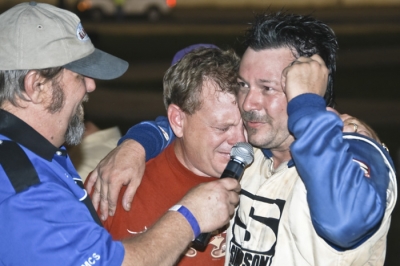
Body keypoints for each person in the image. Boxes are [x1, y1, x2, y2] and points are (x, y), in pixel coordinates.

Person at [86, 12, 397, 265]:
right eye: (244, 86)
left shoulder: (355, 151)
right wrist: (137, 144)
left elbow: (343, 222)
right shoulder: (251, 157)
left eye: (268, 88)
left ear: (308, 91)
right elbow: (192, 123)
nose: (248, 104)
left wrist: (310, 112)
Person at [0, 2, 241, 265]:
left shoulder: (33, 155)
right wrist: (190, 216)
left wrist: (141, 140)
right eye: (80, 75)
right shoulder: (24, 190)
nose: (91, 85)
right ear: (36, 86)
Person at [97, 47, 244, 265]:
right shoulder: (116, 185)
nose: (240, 140)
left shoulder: (263, 175)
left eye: (247, 125)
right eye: (222, 128)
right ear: (177, 120)